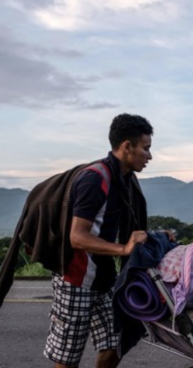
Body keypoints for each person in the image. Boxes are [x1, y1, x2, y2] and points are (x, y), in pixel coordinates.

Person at [43, 114, 157, 368]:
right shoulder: (96, 179)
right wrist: (123, 248)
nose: (149, 156)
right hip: (76, 279)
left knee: (116, 343)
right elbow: (77, 236)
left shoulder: (124, 180)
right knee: (67, 356)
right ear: (127, 147)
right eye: (146, 148)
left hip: (103, 279)